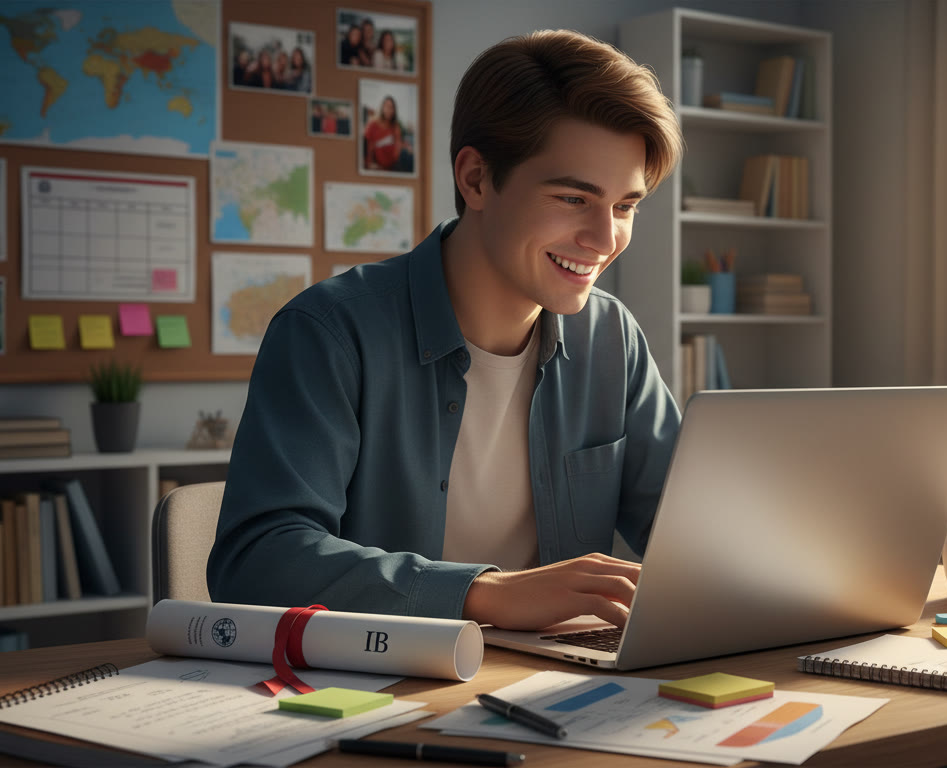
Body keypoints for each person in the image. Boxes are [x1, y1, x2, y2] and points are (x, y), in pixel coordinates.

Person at [207, 29, 683, 631]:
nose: (605, 239)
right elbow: (256, 560)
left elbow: (689, 534)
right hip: (377, 697)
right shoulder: (328, 332)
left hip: (556, 689)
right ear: (476, 178)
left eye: (625, 207)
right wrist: (484, 595)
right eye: (572, 199)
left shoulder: (613, 337)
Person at [362, 95, 411, 172]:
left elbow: (397, 147)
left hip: (393, 165)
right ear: (382, 107)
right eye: (387, 106)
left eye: (392, 108)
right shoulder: (372, 125)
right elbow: (367, 147)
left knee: (408, 157)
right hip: (377, 166)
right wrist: (369, 163)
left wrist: (403, 146)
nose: (389, 110)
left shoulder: (395, 126)